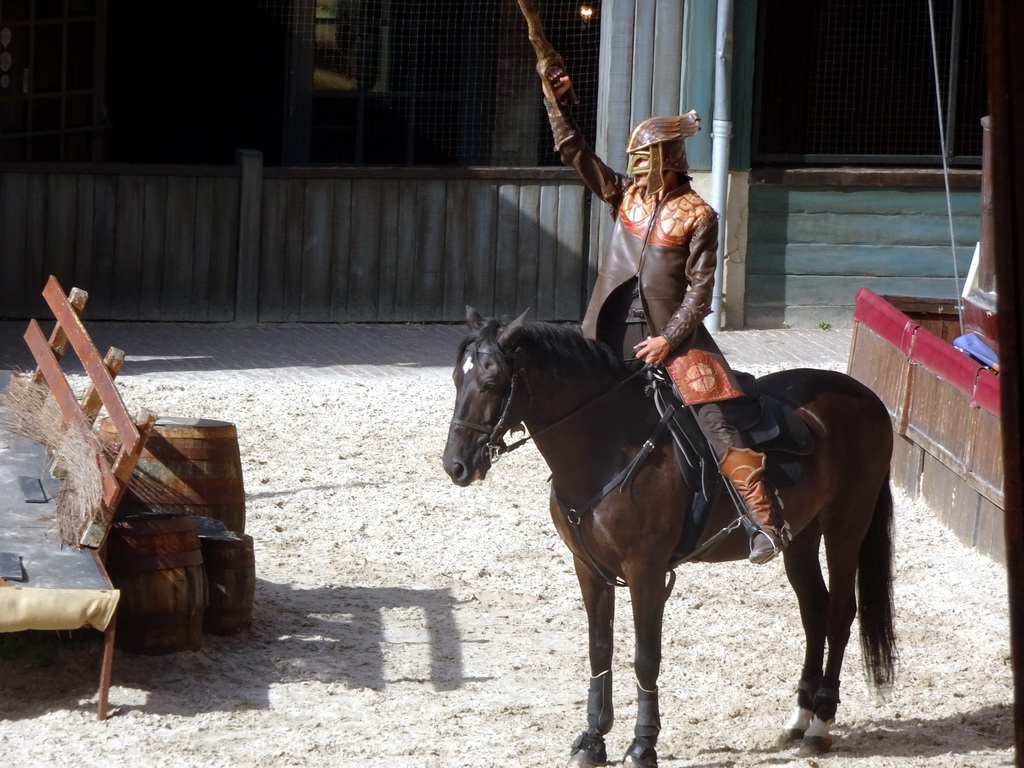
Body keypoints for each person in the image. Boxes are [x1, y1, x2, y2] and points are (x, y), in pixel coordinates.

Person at [543, 66, 788, 564]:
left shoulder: (700, 215)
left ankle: (762, 518)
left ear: (665, 160)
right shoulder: (625, 197)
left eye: (641, 158)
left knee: (714, 418)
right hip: (609, 333)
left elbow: (700, 293)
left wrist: (668, 341)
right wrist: (557, 97)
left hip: (675, 342)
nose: (633, 166)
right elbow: (574, 152)